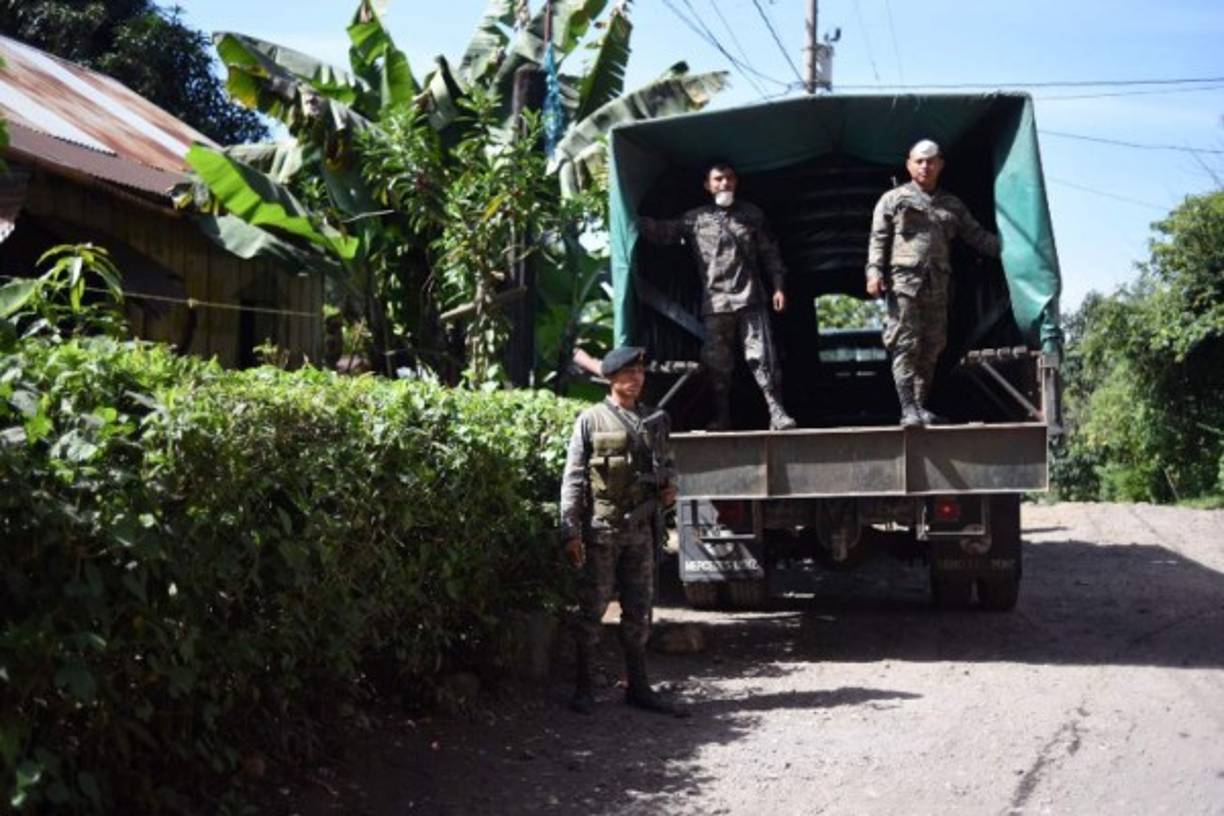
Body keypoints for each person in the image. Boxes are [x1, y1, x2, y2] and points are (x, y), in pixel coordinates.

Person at [559, 346, 687, 717]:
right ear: (611, 378)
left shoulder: (653, 420)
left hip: (641, 532)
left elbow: (669, 466)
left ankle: (639, 687)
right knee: (592, 610)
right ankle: (584, 686)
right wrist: (569, 530)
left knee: (639, 611)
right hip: (602, 531)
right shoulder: (591, 420)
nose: (636, 379)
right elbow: (574, 478)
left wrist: (670, 487)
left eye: (640, 372)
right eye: (629, 373)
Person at [638, 161, 797, 431]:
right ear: (707, 185)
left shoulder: (751, 215)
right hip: (716, 304)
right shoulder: (695, 219)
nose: (725, 183)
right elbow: (663, 232)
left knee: (762, 358)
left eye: (729, 178)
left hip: (751, 299)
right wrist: (630, 218)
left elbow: (770, 253)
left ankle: (777, 413)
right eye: (718, 179)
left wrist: (779, 286)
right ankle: (722, 417)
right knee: (717, 364)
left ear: (736, 182)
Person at [865, 140, 1001, 426]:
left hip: (938, 285)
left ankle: (919, 405)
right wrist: (874, 272)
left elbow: (977, 236)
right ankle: (908, 409)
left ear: (940, 165)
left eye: (930, 161)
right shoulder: (893, 199)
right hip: (904, 284)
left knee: (933, 346)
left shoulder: (952, 205)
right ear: (909, 165)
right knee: (906, 344)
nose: (925, 166)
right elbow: (879, 238)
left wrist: (1011, 250)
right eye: (919, 161)